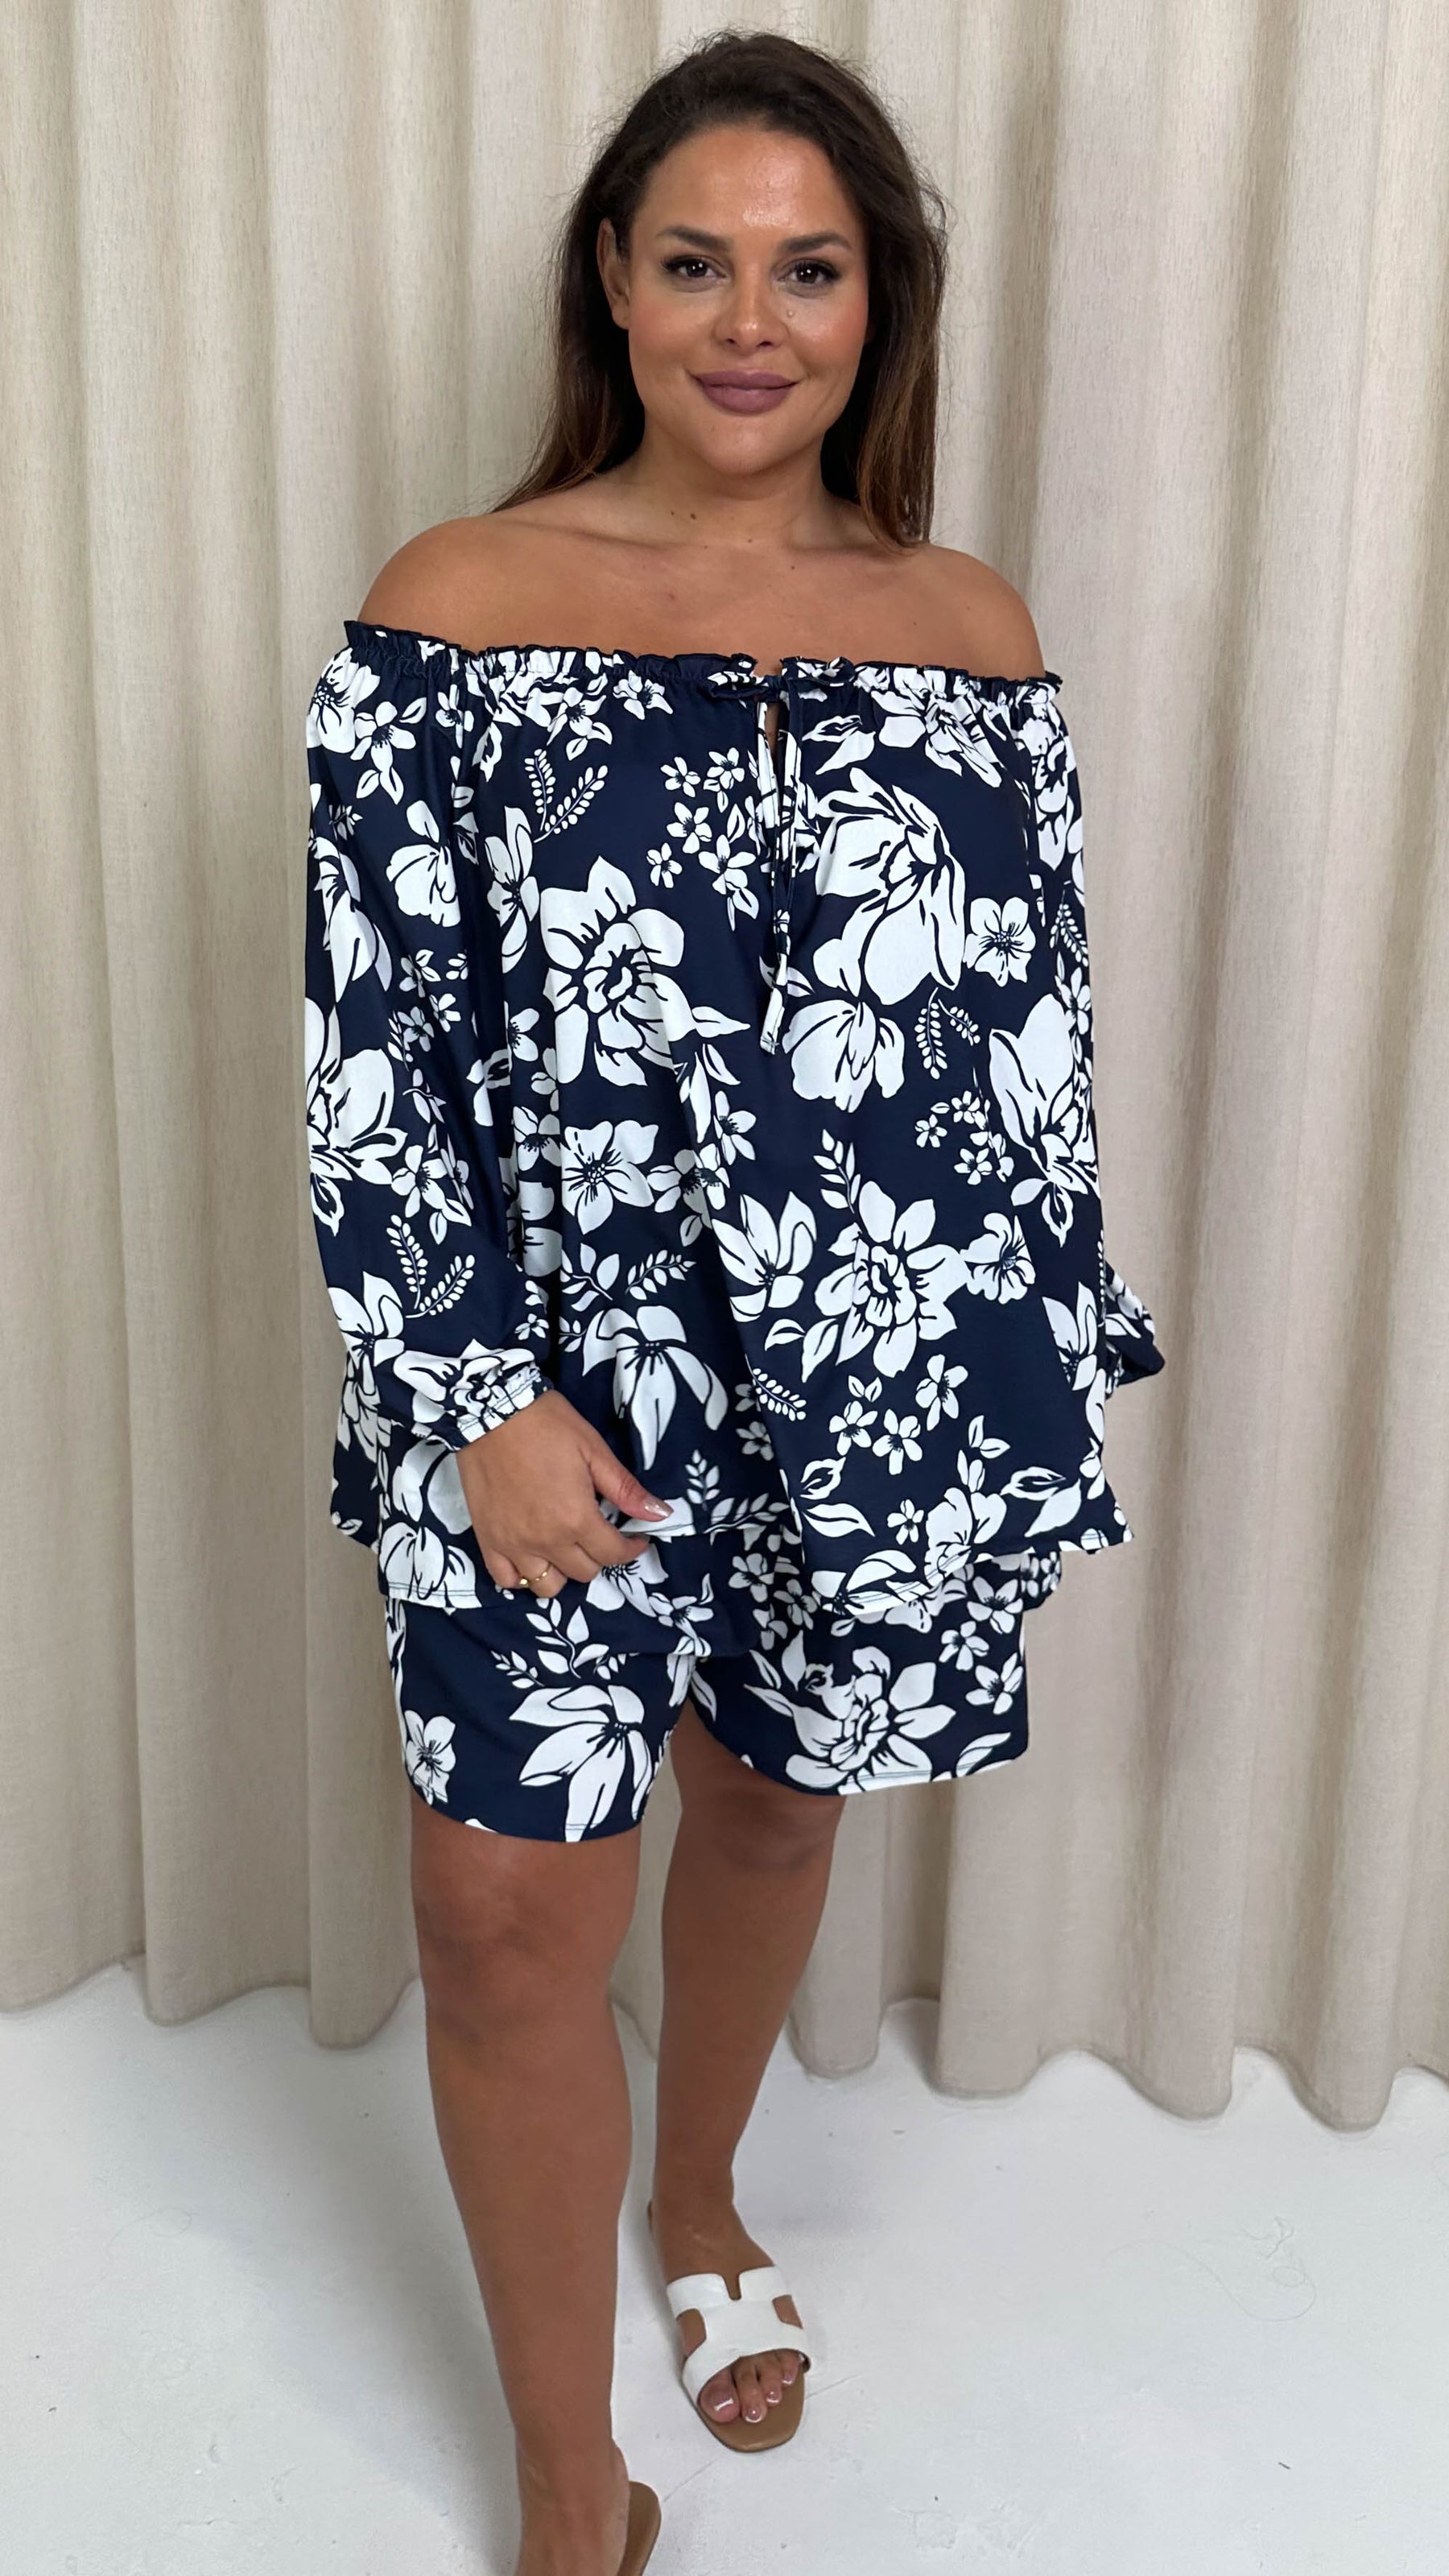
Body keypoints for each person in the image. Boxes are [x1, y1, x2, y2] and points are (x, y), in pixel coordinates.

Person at [302, 29, 1163, 2576]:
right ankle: (572, 2475)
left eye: (810, 270)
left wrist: (1023, 1386)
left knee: (778, 1800)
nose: (752, 323)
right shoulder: (456, 603)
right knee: (500, 1913)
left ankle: (699, 2197)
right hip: (543, 1390)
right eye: (698, 263)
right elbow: (378, 1045)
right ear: (615, 281)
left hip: (885, 1375)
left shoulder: (968, 630)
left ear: (881, 304)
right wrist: (470, 1391)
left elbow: (1021, 1060)